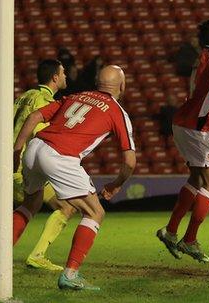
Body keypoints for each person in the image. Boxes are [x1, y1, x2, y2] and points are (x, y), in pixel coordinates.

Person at [10, 65, 135, 290]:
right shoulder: (117, 111)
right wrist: (116, 184)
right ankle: (70, 274)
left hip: (35, 148)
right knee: (95, 212)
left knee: (31, 203)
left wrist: (17, 150)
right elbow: (129, 162)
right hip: (60, 156)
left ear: (98, 83)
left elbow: (36, 115)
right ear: (122, 86)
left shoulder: (75, 96)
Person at [0, 60, 77, 271]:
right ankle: (35, 255)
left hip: (6, 162)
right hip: (23, 166)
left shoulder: (24, 96)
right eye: (63, 73)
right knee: (66, 206)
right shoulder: (43, 100)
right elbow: (40, 133)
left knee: (33, 204)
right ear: (54, 77)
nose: (65, 76)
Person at [156, 18, 209, 263]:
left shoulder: (202, 55)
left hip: (185, 122)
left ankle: (170, 230)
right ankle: (189, 240)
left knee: (197, 179)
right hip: (195, 127)